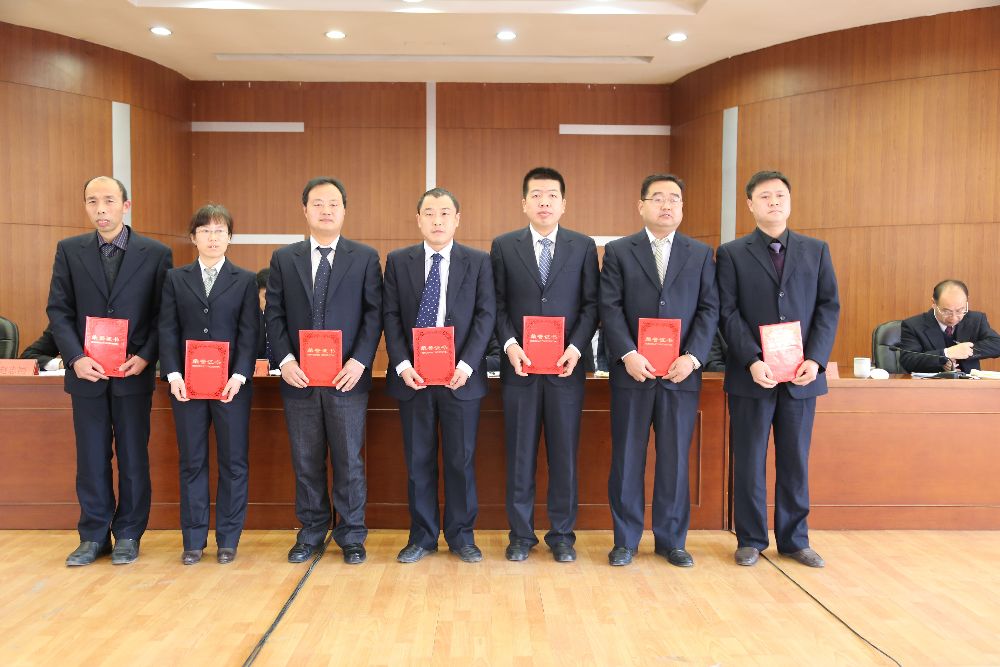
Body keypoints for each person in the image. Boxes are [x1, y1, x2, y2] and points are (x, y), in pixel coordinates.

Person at [47, 176, 172, 566]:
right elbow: (58, 310)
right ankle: (93, 535)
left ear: (125, 205)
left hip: (132, 372)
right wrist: (75, 358)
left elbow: (164, 314)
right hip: (87, 374)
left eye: (108, 201)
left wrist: (147, 355)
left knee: (133, 457)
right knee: (91, 457)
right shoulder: (69, 250)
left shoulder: (156, 253)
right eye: (92, 201)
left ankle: (129, 534)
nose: (100, 209)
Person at [716, 170, 839, 568]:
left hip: (802, 376)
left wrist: (815, 359)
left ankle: (795, 540)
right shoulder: (732, 253)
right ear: (750, 204)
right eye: (765, 196)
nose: (773, 202)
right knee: (749, 460)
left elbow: (828, 308)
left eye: (780, 195)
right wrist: (751, 359)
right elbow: (727, 312)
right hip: (752, 376)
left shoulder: (816, 250)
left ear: (790, 202)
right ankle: (751, 539)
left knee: (794, 460)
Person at [599, 173, 718, 567]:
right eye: (658, 198)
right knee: (627, 460)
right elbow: (609, 307)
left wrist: (693, 357)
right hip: (632, 374)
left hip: (680, 375)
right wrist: (627, 354)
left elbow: (709, 309)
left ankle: (672, 541)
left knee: (675, 461)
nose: (667, 205)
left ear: (682, 207)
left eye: (674, 198)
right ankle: (625, 541)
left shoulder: (700, 253)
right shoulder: (619, 251)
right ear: (641, 206)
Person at [264, 177, 382, 565]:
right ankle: (312, 531)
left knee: (349, 461)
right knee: (306, 460)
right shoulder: (284, 259)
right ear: (305, 210)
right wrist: (286, 361)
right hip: (299, 378)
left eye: (333, 204)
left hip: (347, 378)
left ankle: (351, 534)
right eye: (317, 204)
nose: (326, 210)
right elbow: (274, 314)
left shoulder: (364, 257)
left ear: (344, 210)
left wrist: (359, 361)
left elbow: (374, 314)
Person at [490, 167, 599, 563]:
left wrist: (576, 347)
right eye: (536, 195)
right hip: (519, 370)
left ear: (563, 203)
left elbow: (592, 305)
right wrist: (510, 345)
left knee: (563, 456)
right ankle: (520, 536)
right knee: (520, 456)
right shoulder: (504, 246)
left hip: (565, 370)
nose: (544, 202)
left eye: (552, 195)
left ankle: (562, 535)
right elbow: (496, 304)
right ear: (524, 203)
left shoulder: (582, 246)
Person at [383, 187, 495, 564]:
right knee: (418, 461)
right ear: (418, 220)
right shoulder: (398, 261)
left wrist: (467, 365)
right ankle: (423, 536)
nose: (437, 220)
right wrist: (402, 364)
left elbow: (486, 315)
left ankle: (462, 536)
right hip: (413, 378)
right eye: (429, 213)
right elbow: (390, 316)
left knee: (461, 461)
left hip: (460, 378)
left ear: (457, 219)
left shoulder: (478, 261)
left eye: (445, 213)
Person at [159, 204, 258, 565]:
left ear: (230, 238)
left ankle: (228, 538)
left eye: (219, 231)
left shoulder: (245, 280)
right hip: (186, 387)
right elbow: (167, 328)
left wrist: (239, 375)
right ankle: (193, 540)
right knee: (192, 462)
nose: (212, 238)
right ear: (193, 237)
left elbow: (250, 332)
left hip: (231, 387)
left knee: (233, 463)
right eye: (205, 231)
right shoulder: (175, 278)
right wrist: (173, 374)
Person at [898, 280, 1000, 373]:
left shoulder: (976, 319)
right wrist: (946, 353)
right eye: (946, 311)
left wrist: (964, 351)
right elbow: (908, 360)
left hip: (970, 384)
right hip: (931, 384)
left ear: (966, 301)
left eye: (960, 310)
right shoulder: (913, 325)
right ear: (934, 303)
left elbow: (997, 345)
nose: (954, 318)